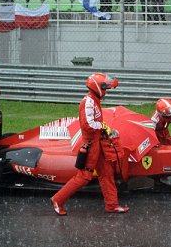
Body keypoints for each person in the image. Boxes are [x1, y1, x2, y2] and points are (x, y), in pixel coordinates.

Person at [50, 73, 129, 215]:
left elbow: (94, 123)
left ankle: (112, 205)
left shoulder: (94, 100)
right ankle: (57, 199)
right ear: (97, 88)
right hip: (90, 146)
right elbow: (88, 125)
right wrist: (103, 127)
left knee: (107, 173)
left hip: (98, 144)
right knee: (84, 177)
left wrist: (103, 129)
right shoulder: (88, 102)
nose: (106, 92)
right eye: (104, 89)